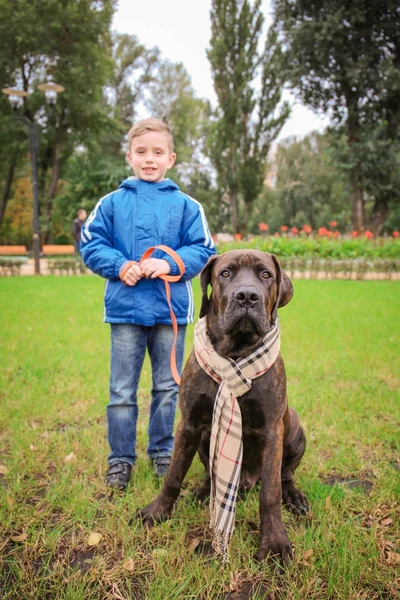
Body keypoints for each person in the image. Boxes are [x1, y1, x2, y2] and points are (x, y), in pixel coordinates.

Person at [80, 118, 215, 489]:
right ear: (130, 157)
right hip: (124, 310)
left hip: (169, 313)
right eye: (142, 152)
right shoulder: (111, 203)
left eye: (158, 152)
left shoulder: (188, 206)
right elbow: (91, 243)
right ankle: (120, 458)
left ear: (171, 158)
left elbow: (204, 249)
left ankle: (161, 453)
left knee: (167, 388)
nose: (149, 159)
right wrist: (119, 264)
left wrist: (170, 262)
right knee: (121, 390)